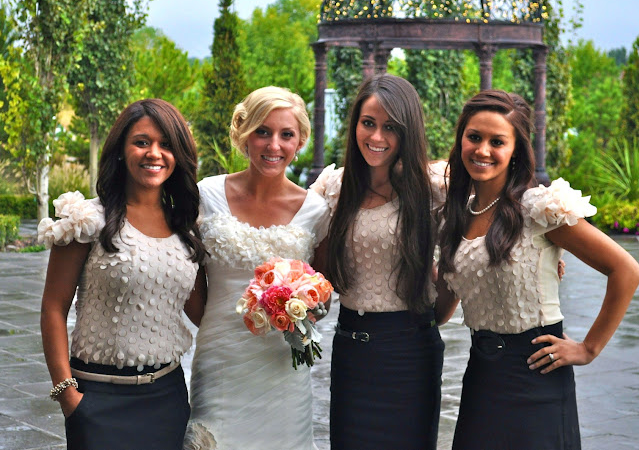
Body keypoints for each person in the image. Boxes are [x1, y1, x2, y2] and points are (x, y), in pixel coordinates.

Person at [435, 89, 639, 449]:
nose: (482, 150)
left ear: (516, 150)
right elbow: (439, 311)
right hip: (481, 377)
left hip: (536, 375)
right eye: (474, 137)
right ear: (461, 139)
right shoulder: (456, 216)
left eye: (497, 141)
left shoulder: (538, 210)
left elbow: (625, 269)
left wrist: (588, 348)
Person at [38, 99, 208, 450]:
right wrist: (68, 396)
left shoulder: (186, 228)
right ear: (120, 150)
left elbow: (202, 312)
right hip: (97, 400)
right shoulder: (87, 220)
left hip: (168, 398)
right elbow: (53, 307)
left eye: (166, 144)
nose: (154, 153)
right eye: (142, 142)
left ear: (179, 155)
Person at [183, 86, 331, 450]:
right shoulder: (206, 196)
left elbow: (323, 295)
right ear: (243, 133)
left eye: (286, 134)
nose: (273, 145)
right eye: (262, 131)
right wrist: (222, 327)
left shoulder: (315, 211)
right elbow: (190, 285)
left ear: (300, 142)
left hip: (283, 367)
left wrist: (297, 309)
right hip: (220, 363)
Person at [311, 73, 446, 450]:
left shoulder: (433, 188)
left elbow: (493, 208)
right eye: (368, 123)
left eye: (391, 127)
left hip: (412, 354)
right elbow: (313, 267)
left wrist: (548, 250)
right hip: (353, 353)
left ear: (408, 131)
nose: (376, 137)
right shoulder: (335, 188)